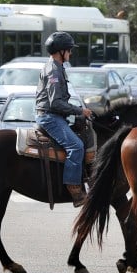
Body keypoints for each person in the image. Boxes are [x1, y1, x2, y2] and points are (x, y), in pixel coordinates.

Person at [35, 31, 94, 207]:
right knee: (76, 146)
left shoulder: (57, 67)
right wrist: (79, 111)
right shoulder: (53, 70)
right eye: (69, 50)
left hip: (55, 115)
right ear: (61, 51)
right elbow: (55, 103)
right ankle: (74, 189)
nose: (71, 53)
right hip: (50, 117)